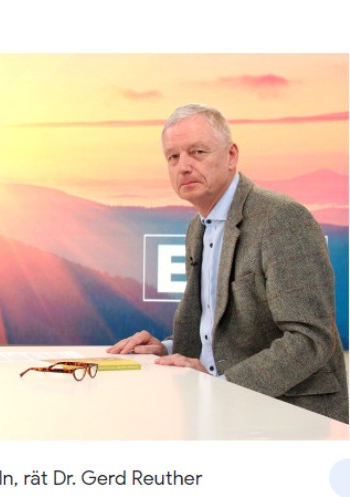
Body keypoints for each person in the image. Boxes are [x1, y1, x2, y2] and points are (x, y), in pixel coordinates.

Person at [107, 104, 348, 423]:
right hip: (217, 409)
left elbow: (310, 340)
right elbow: (217, 330)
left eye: (197, 152)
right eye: (173, 157)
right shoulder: (197, 227)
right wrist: (168, 348)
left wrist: (221, 388)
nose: (184, 167)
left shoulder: (281, 219)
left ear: (231, 156)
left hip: (292, 416)